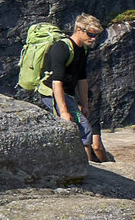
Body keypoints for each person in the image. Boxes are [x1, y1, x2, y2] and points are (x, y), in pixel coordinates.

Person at [36, 14, 109, 162]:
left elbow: (82, 79)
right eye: (90, 34)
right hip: (51, 93)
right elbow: (57, 82)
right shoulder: (61, 48)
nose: (93, 38)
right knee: (84, 130)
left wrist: (85, 105)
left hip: (67, 94)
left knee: (82, 128)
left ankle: (85, 166)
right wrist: (64, 112)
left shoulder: (82, 49)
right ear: (78, 29)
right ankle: (89, 169)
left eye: (95, 35)